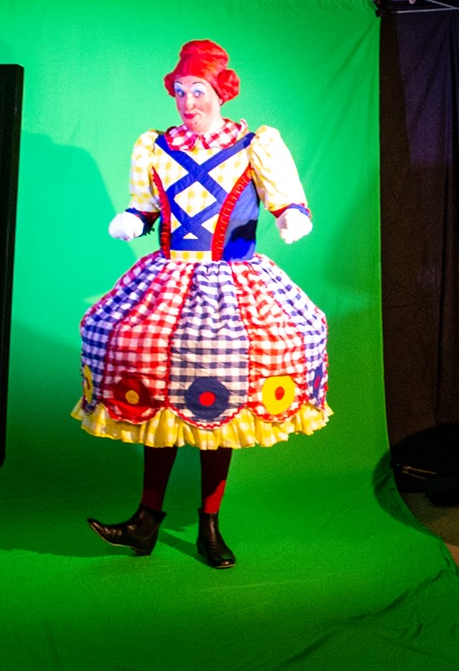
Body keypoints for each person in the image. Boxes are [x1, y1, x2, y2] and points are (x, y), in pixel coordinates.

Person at [74, 39, 330, 568]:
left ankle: (209, 524)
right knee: (157, 387)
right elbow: (145, 205)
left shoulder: (255, 144)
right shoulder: (156, 146)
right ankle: (146, 520)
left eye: (198, 91)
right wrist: (133, 220)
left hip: (231, 286)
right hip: (168, 279)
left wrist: (290, 216)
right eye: (181, 91)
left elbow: (285, 198)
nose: (188, 102)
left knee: (222, 396)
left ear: (221, 92)